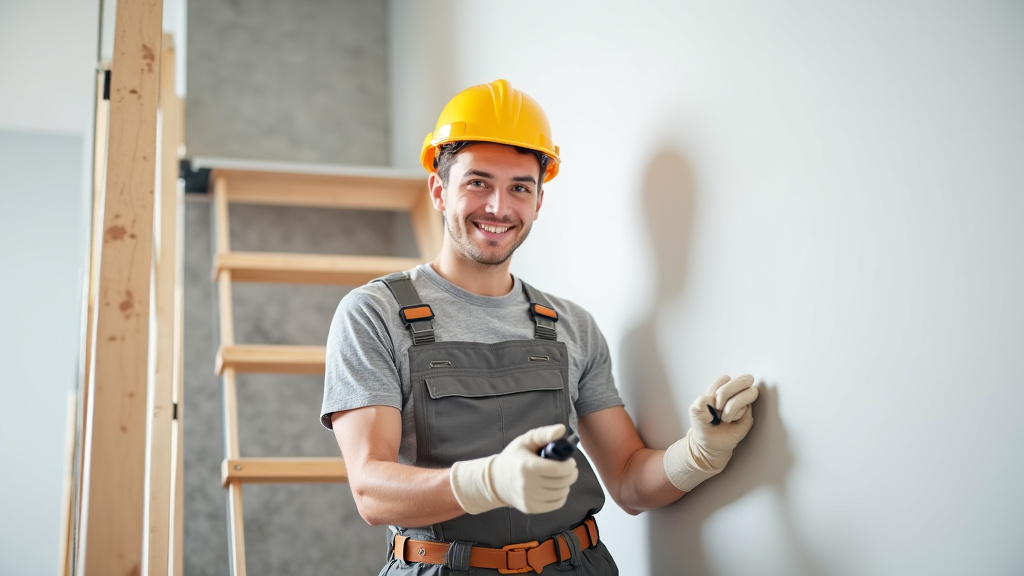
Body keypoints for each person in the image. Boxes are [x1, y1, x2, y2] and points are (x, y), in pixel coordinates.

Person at [320, 79, 759, 575]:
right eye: (478, 182)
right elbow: (372, 491)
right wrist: (489, 482)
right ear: (439, 190)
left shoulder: (571, 326)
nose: (499, 207)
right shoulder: (374, 314)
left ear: (539, 202)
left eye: (519, 188)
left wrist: (698, 454)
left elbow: (629, 481)